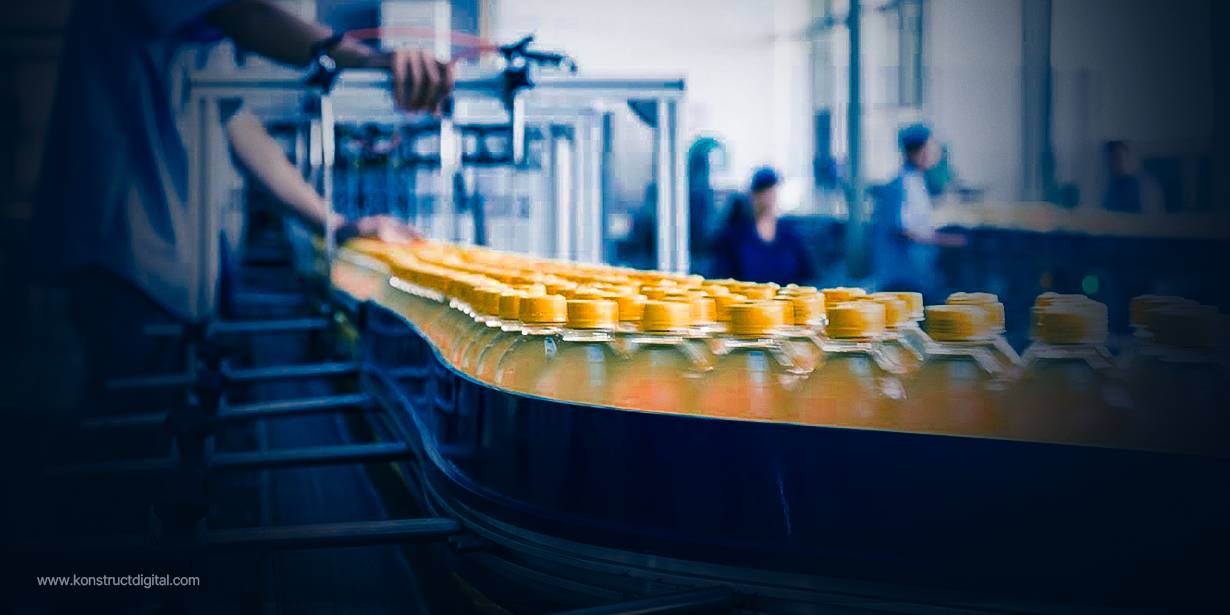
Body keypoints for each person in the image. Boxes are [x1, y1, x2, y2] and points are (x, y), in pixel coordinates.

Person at [30, 0, 454, 414]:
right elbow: (248, 14)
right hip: (124, 258)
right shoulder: (220, 14)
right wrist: (369, 60)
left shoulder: (201, 35)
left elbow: (235, 120)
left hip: (167, 265)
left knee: (169, 423)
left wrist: (337, 224)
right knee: (133, 429)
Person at [870, 124, 964, 297]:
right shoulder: (900, 184)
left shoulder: (916, 180)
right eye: (932, 147)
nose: (936, 152)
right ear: (918, 151)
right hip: (902, 279)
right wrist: (948, 240)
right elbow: (903, 230)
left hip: (918, 275)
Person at [711, 167, 816, 285]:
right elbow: (722, 278)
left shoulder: (790, 236)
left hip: (786, 296)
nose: (767, 198)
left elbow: (807, 276)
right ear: (752, 196)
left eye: (771, 192)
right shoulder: (734, 237)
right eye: (763, 192)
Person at [1102, 140, 1163, 213]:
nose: (1112, 163)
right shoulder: (1112, 184)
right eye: (1110, 158)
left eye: (1117, 158)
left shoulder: (1145, 184)